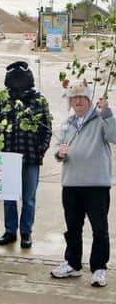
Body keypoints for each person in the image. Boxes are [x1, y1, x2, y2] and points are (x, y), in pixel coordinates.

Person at [50, 80, 116, 287]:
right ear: (70, 102)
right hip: (71, 184)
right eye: (74, 98)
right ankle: (72, 264)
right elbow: (58, 146)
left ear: (89, 100)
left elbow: (114, 136)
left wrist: (107, 113)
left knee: (99, 229)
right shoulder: (68, 123)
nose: (77, 101)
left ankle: (99, 268)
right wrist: (59, 153)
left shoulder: (100, 119)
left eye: (82, 97)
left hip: (96, 184)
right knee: (72, 228)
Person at [0, 61, 52, 249]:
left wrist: (40, 149)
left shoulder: (38, 99)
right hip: (8, 156)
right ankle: (10, 231)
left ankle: (26, 232)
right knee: (9, 196)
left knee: (29, 198)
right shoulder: (2, 100)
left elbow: (46, 127)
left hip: (31, 157)